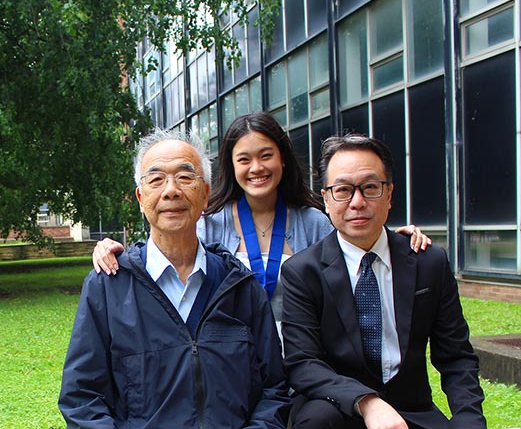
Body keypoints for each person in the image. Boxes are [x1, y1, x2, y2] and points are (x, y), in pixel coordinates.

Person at [59, 129, 289, 429]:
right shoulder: (109, 285)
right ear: (140, 197)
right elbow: (81, 394)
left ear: (206, 194)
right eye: (156, 178)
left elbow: (274, 384)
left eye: (186, 176)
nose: (171, 190)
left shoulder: (239, 284)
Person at [279, 134, 511, 429]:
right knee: (315, 422)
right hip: (338, 419)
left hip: (410, 418)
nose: (356, 201)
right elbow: (303, 363)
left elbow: (456, 356)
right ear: (325, 198)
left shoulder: (427, 260)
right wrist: (365, 401)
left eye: (369, 187)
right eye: (342, 190)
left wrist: (469, 424)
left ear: (390, 192)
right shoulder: (302, 271)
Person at [93, 112, 430, 329]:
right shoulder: (209, 221)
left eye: (266, 155)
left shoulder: (314, 221)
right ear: (231, 166)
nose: (256, 168)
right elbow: (166, 248)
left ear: (282, 160)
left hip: (304, 353)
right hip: (232, 354)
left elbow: (354, 255)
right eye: (244, 159)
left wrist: (393, 239)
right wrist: (111, 248)